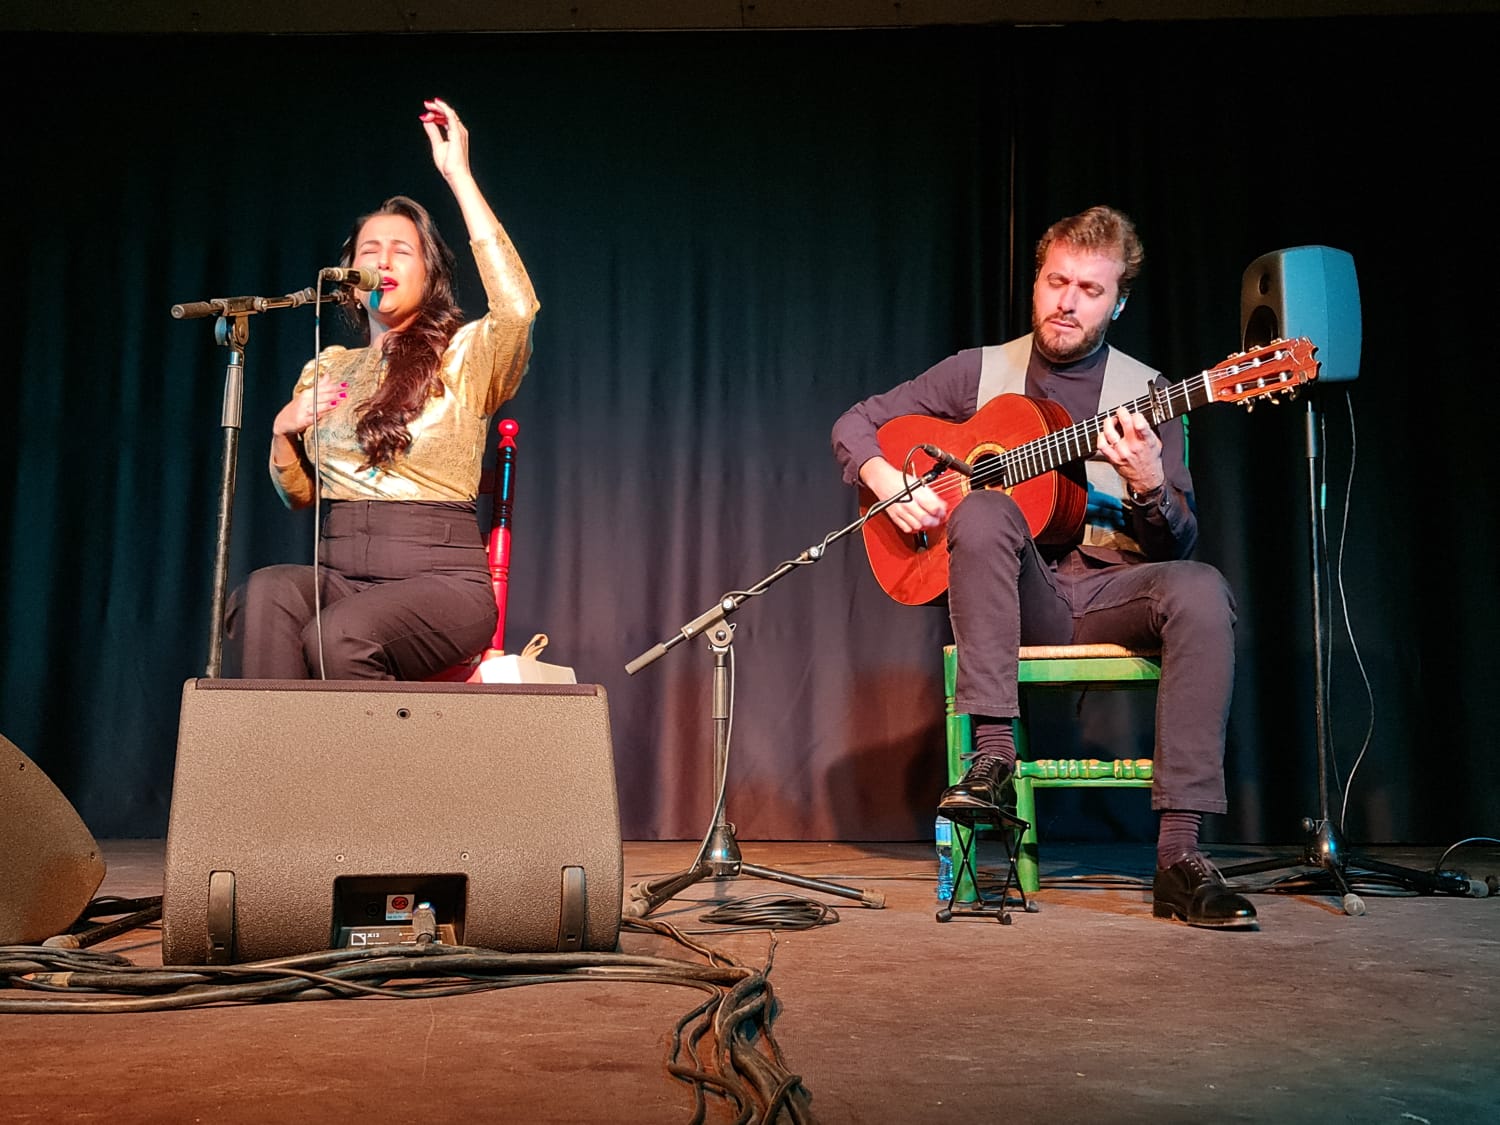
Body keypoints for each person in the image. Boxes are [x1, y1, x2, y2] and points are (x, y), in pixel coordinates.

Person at [831, 205, 1256, 929]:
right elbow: (855, 423)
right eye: (1056, 281)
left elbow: (1175, 543)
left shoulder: (1150, 394)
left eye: (1090, 290)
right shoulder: (980, 372)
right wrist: (885, 479)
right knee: (988, 508)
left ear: (1118, 301)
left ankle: (1180, 856)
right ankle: (992, 760)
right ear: (1036, 282)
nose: (1066, 301)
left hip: (1107, 588)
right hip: (1016, 593)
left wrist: (1151, 482)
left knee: (1202, 587)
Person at [227, 98, 540, 681]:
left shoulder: (463, 355)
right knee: (263, 593)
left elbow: (518, 311)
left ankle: (365, 774)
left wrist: (459, 177)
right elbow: (299, 496)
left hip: (441, 581)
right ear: (349, 279)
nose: (383, 260)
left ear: (430, 273)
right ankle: (268, 769)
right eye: (369, 252)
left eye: (402, 250)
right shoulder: (327, 368)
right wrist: (281, 432)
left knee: (338, 637)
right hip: (344, 573)